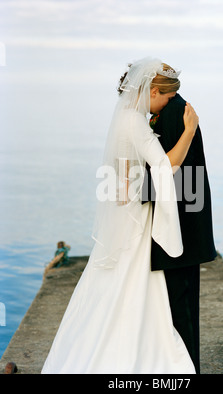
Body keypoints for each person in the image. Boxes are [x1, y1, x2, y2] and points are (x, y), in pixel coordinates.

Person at [41, 57, 199, 374]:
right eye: (167, 97)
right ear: (153, 91)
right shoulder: (135, 122)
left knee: (114, 285)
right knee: (132, 283)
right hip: (136, 221)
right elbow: (167, 165)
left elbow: (123, 178)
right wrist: (190, 130)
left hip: (125, 213)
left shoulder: (126, 118)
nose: (168, 104)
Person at [143, 93, 217, 374]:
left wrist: (134, 189)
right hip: (180, 224)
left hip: (180, 230)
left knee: (182, 310)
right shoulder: (175, 108)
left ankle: (188, 371)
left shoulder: (174, 113)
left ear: (160, 91)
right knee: (176, 308)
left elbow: (169, 172)